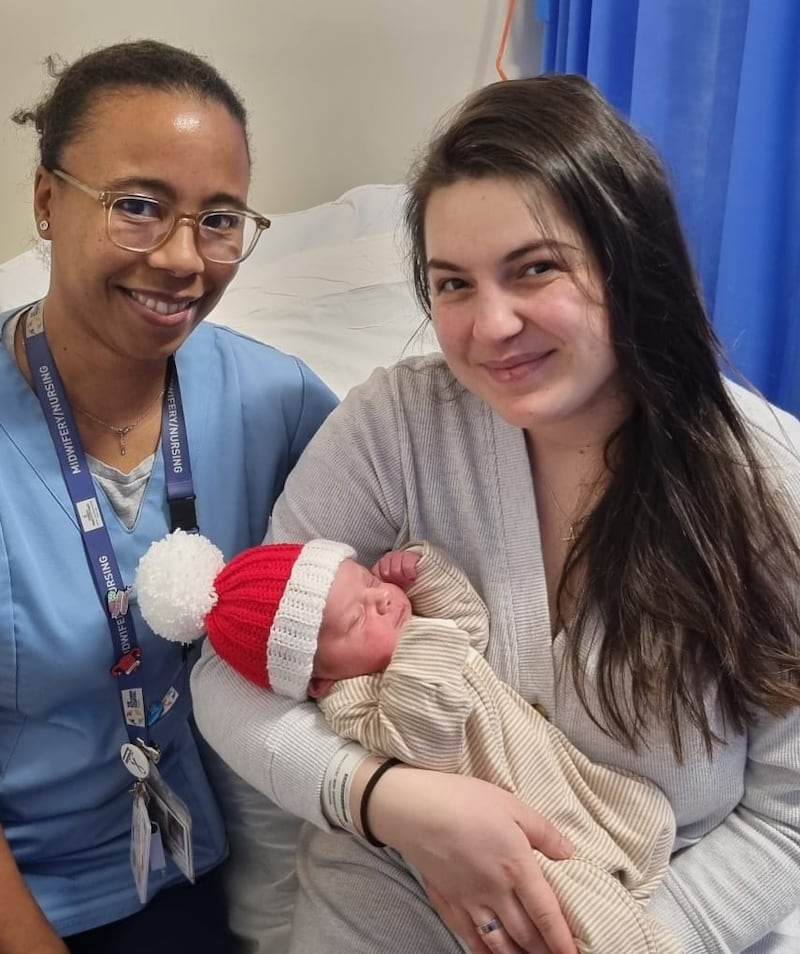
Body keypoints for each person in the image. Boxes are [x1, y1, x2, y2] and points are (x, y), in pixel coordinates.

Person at [191, 73, 800, 954]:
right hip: (386, 905)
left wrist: (621, 941)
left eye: (535, 268)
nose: (492, 326)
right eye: (453, 285)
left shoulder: (765, 485)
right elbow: (229, 670)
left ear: (632, 259)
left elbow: (787, 815)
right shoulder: (397, 427)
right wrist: (387, 800)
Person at [0, 39, 337, 954]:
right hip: (31, 889)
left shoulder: (280, 403)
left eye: (220, 219)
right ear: (45, 200)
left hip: (193, 862)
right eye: (138, 208)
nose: (185, 260)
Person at [135, 530, 680, 953]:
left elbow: (471, 626)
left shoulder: (405, 634)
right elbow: (427, 737)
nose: (382, 601)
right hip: (507, 828)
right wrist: (418, 632)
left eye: (371, 583)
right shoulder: (352, 703)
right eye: (358, 615)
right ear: (318, 679)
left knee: (641, 815)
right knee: (578, 919)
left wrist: (424, 577)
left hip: (555, 774)